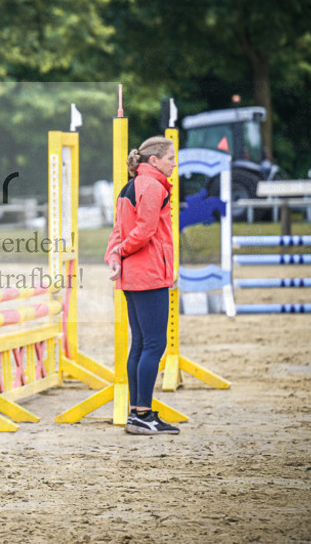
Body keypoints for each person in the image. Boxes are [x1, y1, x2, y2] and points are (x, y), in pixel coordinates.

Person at [105, 136, 180, 435]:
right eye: (170, 158)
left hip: (132, 275)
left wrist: (114, 254)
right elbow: (146, 230)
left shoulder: (129, 187)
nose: (174, 163)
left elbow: (118, 229)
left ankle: (138, 413)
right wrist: (120, 252)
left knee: (140, 344)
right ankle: (143, 413)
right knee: (154, 345)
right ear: (154, 161)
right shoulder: (152, 186)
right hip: (148, 273)